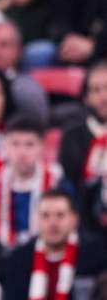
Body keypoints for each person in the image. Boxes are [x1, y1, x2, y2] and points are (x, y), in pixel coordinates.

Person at [2, 189, 107, 300]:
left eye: (60, 215)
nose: (53, 223)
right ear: (37, 220)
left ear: (74, 219)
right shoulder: (18, 259)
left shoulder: (97, 257)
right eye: (45, 216)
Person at [0, 115, 70, 249]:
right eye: (15, 144)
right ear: (5, 147)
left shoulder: (60, 186)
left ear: (42, 147)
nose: (22, 153)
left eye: (29, 144)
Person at [59, 61, 107, 229]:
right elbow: (73, 183)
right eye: (96, 90)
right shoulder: (72, 136)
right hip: (86, 223)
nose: (104, 96)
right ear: (86, 98)